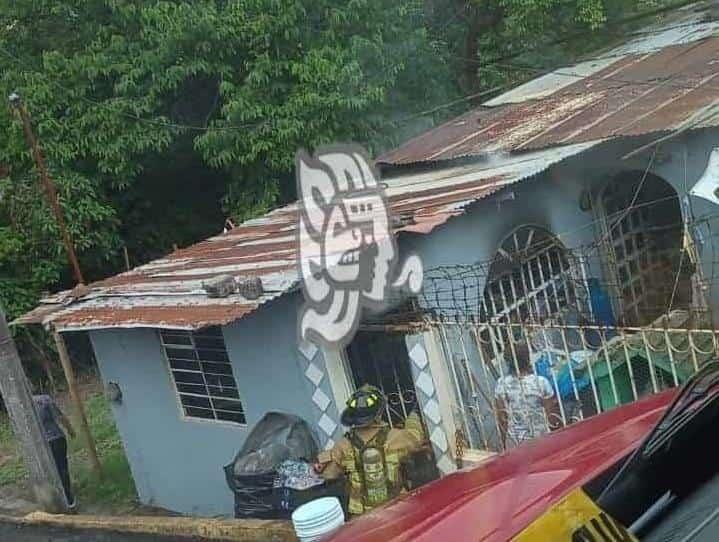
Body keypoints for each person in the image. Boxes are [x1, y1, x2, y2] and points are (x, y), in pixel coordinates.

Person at [314, 384, 425, 516]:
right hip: (397, 508)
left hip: (361, 517)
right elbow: (416, 438)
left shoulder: (343, 445)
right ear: (378, 414)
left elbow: (329, 475)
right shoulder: (396, 437)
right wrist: (413, 416)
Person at [494, 342, 560, 449]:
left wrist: (503, 442)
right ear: (528, 359)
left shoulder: (501, 384)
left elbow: (502, 418)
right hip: (540, 439)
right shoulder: (541, 382)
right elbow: (552, 417)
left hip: (514, 441)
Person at [32, 394, 76, 507]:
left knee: (50, 470)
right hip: (56, 438)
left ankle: (55, 499)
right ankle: (69, 498)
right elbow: (60, 417)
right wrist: (70, 430)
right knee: (62, 468)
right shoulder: (44, 399)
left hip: (40, 444)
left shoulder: (22, 405)